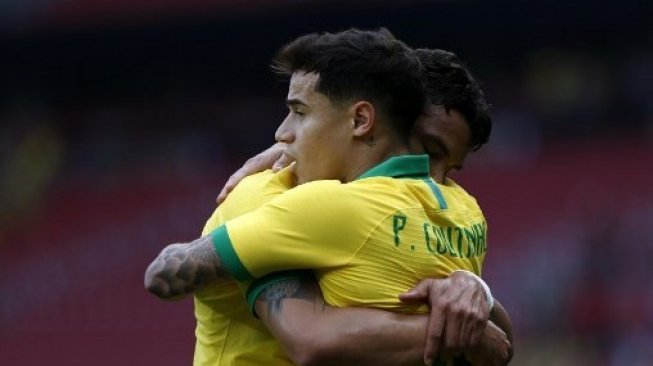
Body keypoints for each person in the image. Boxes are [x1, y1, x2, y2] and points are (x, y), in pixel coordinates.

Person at [145, 29, 512, 365]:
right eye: (426, 151)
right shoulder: (265, 197)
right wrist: (468, 334)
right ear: (375, 121)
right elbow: (314, 340)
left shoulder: (437, 206)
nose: (432, 180)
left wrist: (473, 287)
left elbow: (501, 343)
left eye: (449, 169)